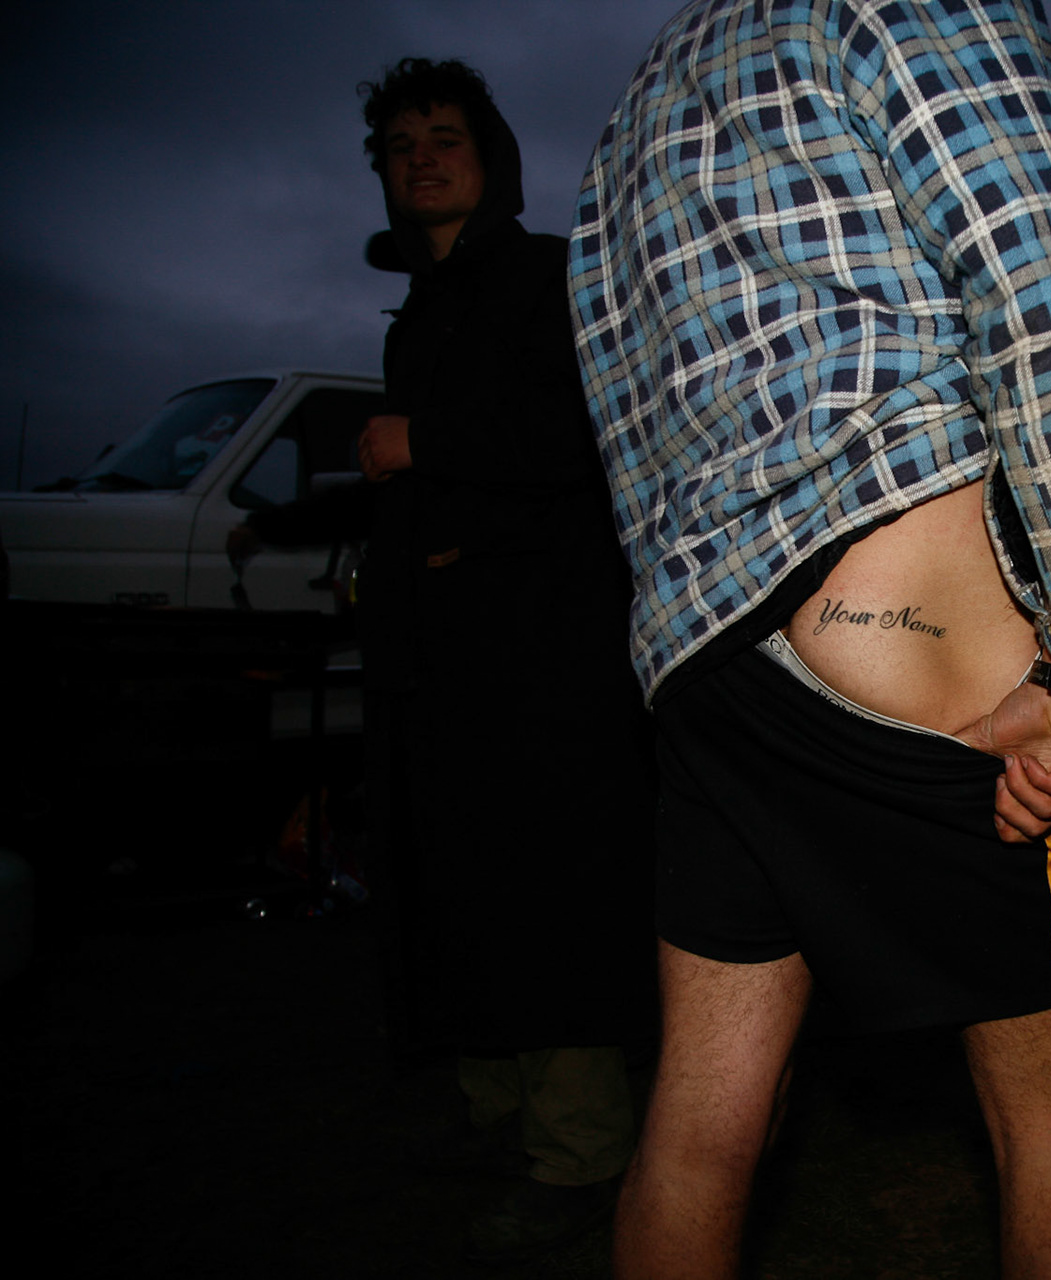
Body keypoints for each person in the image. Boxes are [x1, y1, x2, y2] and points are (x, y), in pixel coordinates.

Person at [569, 3, 1051, 1276]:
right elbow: (1038, 298)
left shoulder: (650, 87)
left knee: (698, 1125)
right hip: (911, 632)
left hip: (703, 662)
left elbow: (624, 402)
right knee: (1050, 1138)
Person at [347, 57, 649, 1264]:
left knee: (543, 899)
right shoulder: (425, 307)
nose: (422, 155)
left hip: (540, 659)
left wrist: (423, 439)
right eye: (401, 143)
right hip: (447, 662)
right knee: (458, 885)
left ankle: (581, 1154)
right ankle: (500, 1117)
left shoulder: (543, 275)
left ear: (492, 156)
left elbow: (587, 433)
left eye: (445, 136)